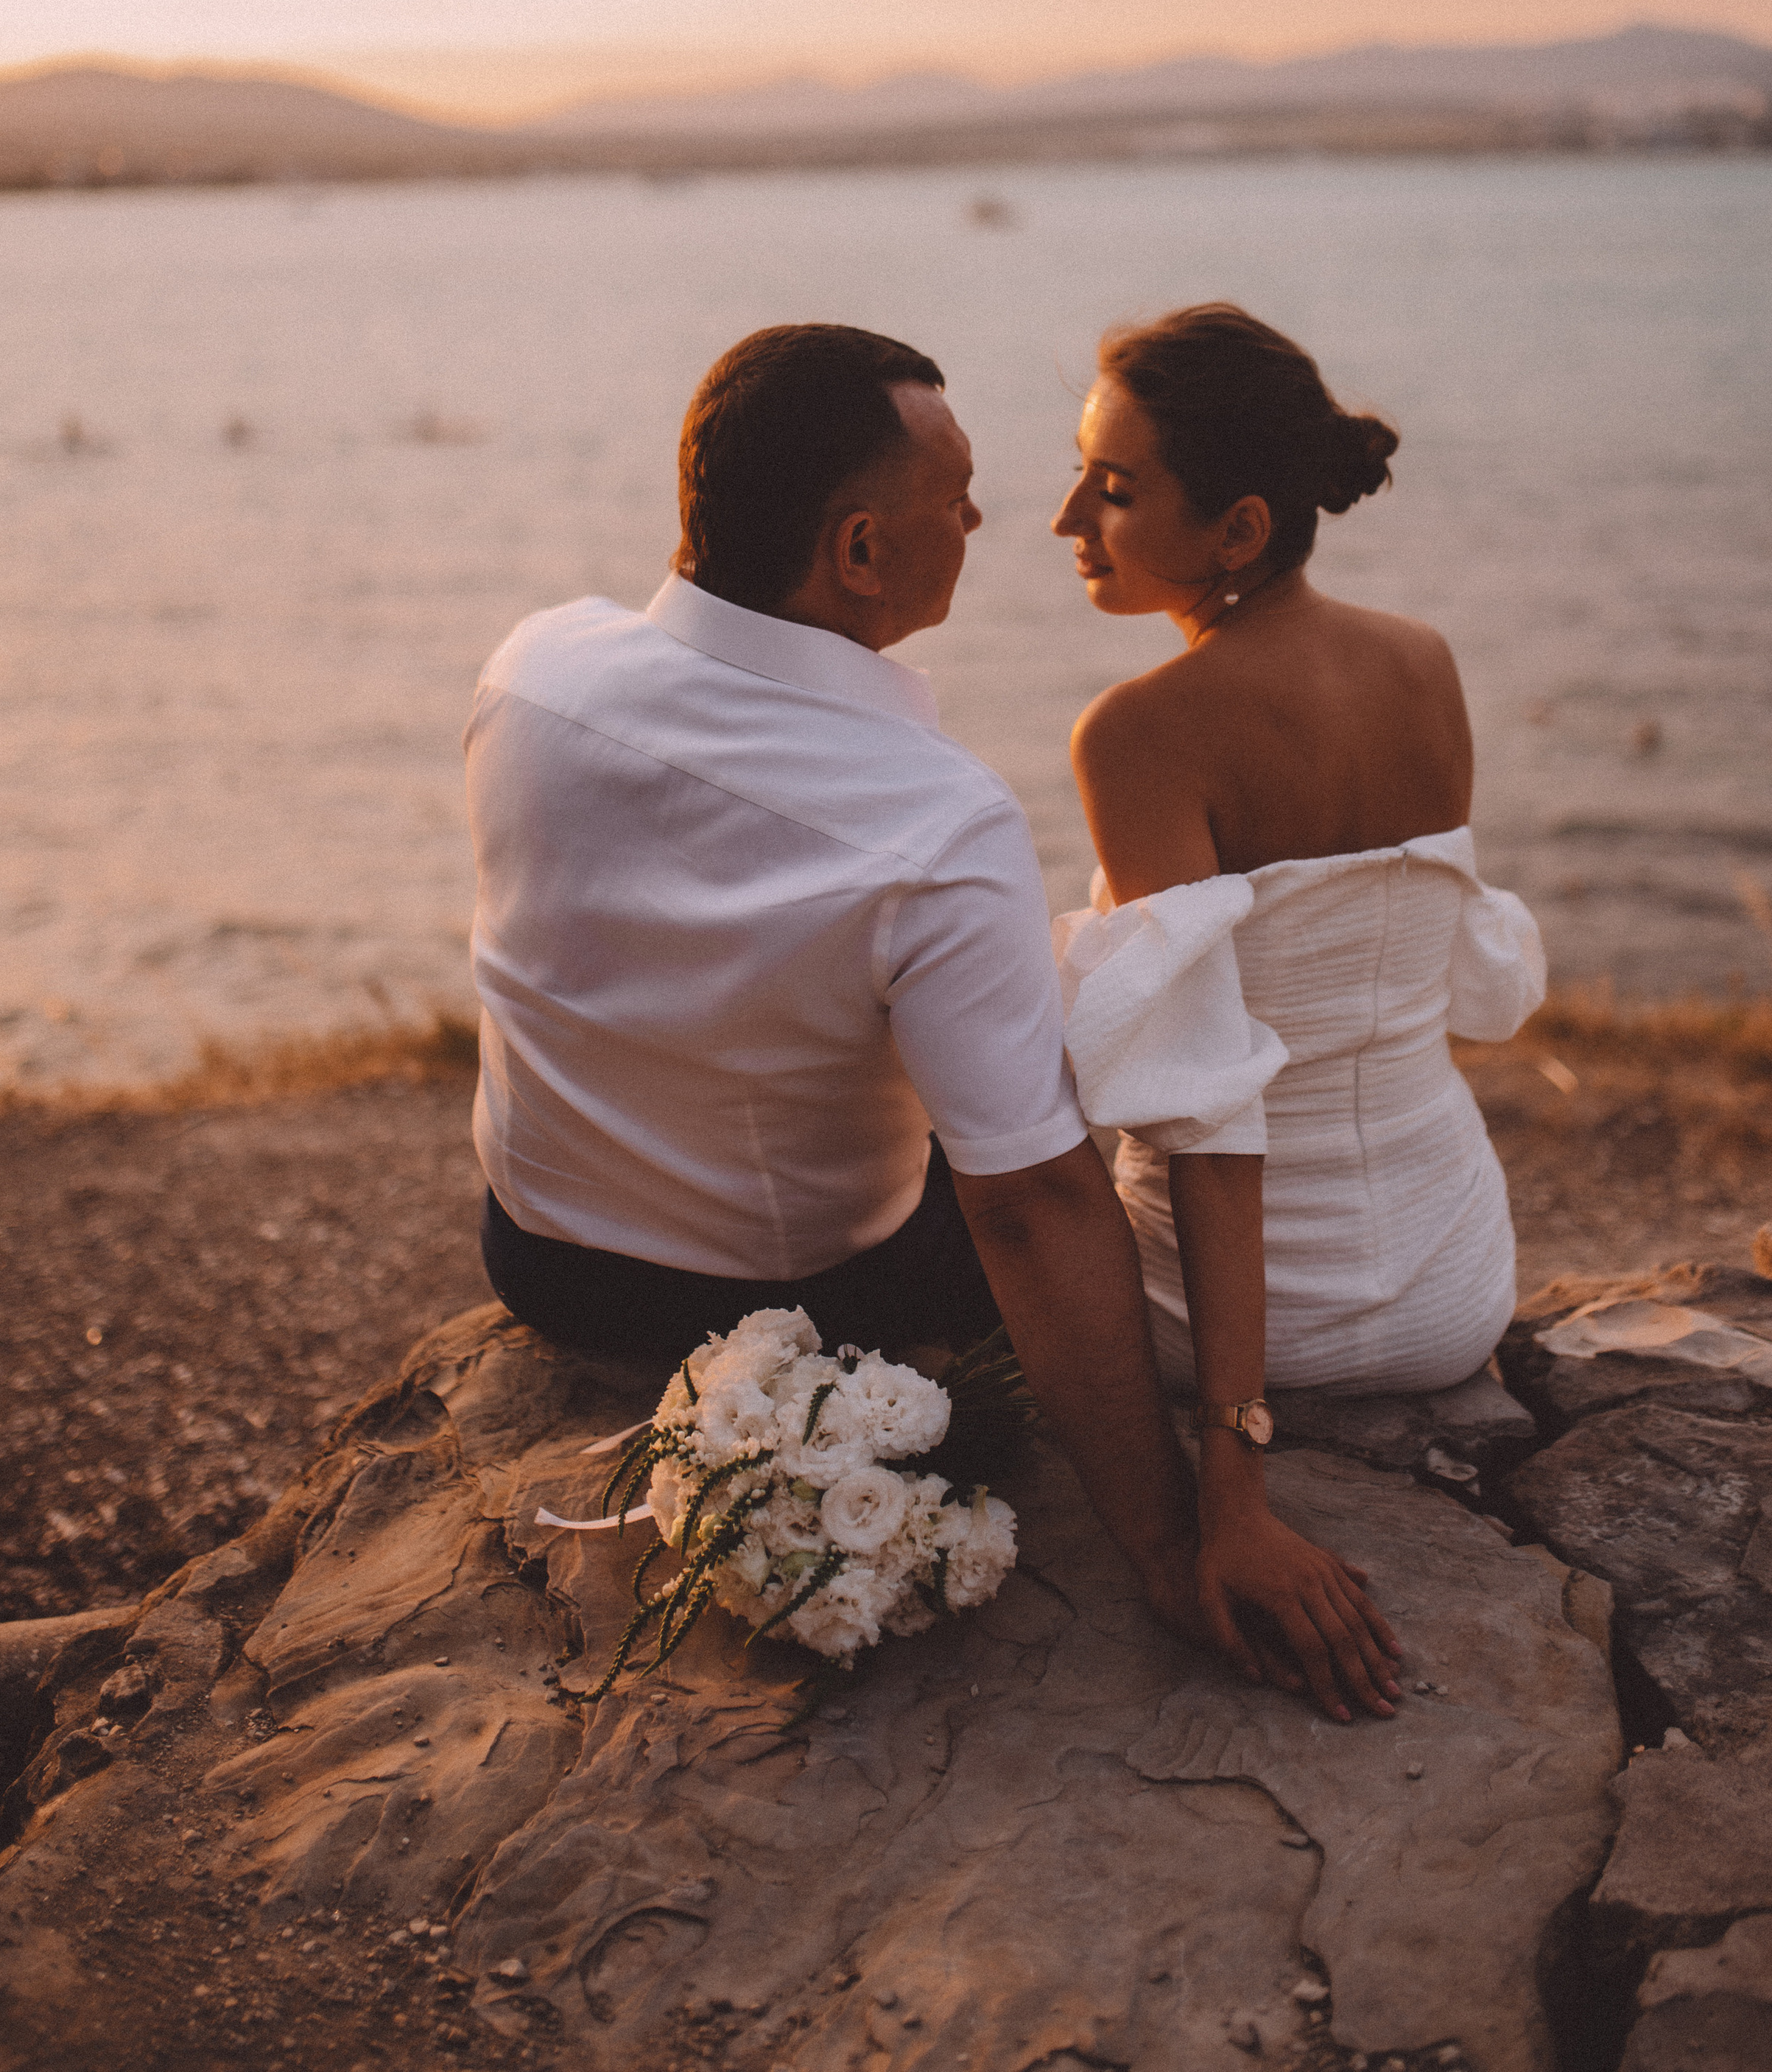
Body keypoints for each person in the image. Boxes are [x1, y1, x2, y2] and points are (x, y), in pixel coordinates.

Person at [465, 320, 1401, 1721]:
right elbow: (1027, 1206)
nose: (987, 518)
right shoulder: (932, 817)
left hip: (536, 1252)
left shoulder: (533, 664)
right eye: (953, 497)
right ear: (858, 553)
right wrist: (1164, 1543)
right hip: (787, 1294)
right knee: (1052, 1108)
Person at [1050, 301, 1544, 1703]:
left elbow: (1211, 1111)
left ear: (1243, 531)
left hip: (1239, 1322)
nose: (1066, 513)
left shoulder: (1142, 731)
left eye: (1116, 485)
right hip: (1456, 1283)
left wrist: (1235, 1485)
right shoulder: (1425, 661)